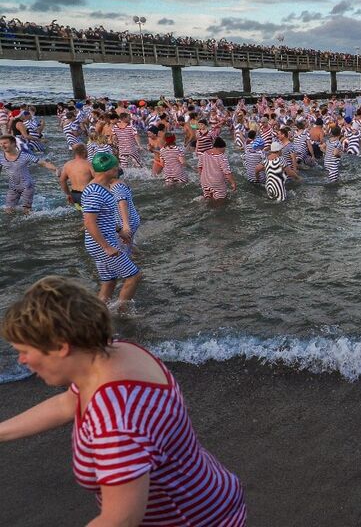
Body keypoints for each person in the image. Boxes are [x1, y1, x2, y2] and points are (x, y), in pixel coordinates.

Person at [0, 276, 247, 526]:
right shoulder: (114, 353)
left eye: (25, 351)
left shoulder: (115, 421)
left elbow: (120, 519)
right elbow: (68, 402)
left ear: (61, 346)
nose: (22, 361)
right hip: (210, 496)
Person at [80, 152, 142, 304]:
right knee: (134, 276)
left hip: (105, 241)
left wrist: (120, 231)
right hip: (102, 244)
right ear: (108, 170)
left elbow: (103, 218)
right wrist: (106, 247)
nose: (117, 168)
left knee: (109, 281)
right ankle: (122, 312)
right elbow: (89, 222)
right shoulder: (95, 191)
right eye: (115, 166)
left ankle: (101, 312)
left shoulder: (101, 188)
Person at [0, 134, 57, 214]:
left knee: (26, 211)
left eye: (5, 143)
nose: (2, 146)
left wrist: (56, 169)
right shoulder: (1, 158)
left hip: (27, 186)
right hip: (13, 187)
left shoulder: (25, 155)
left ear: (13, 144)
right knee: (8, 210)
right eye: (1, 144)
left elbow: (43, 163)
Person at [58, 143, 93, 209]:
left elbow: (62, 180)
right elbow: (98, 179)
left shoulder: (67, 165)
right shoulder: (88, 164)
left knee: (80, 213)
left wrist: (68, 194)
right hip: (86, 195)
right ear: (84, 152)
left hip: (74, 195)